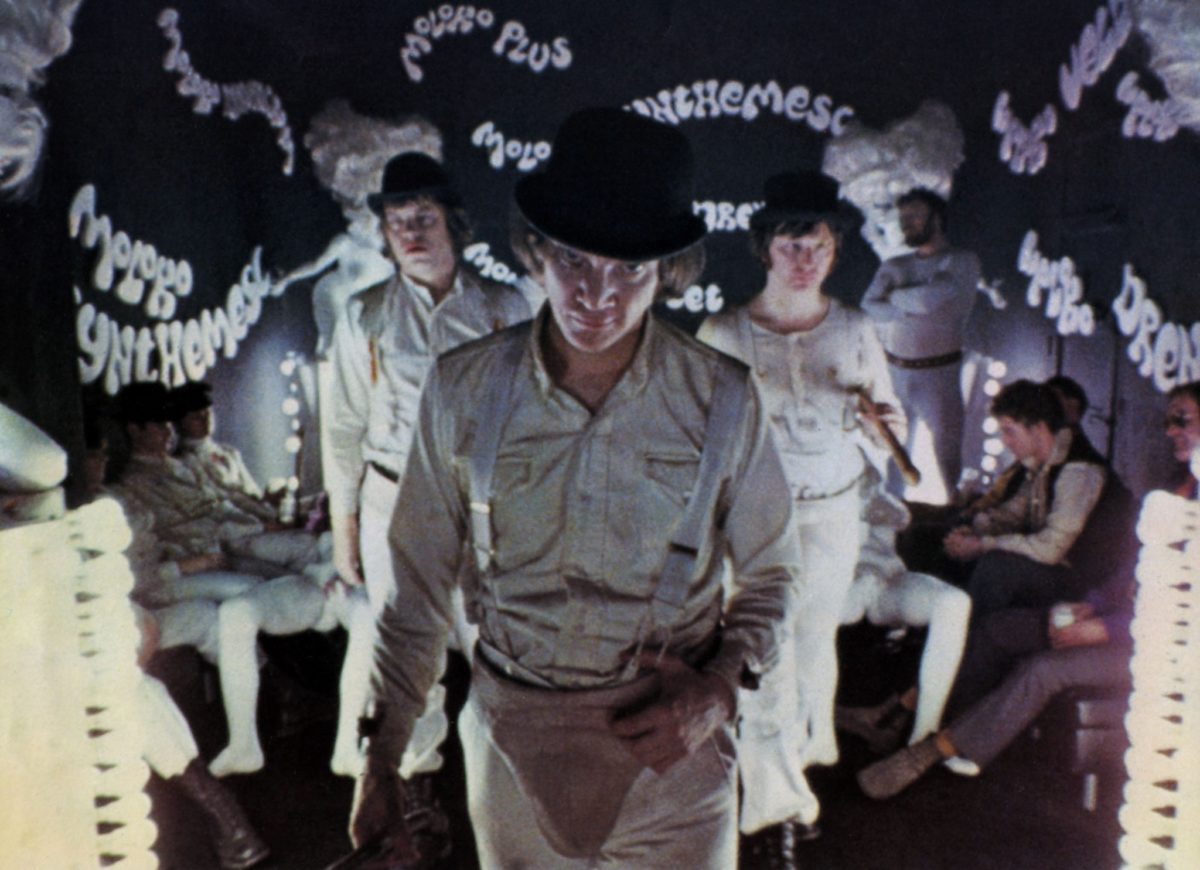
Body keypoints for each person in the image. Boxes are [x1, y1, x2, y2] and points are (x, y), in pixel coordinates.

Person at [348, 107, 800, 869]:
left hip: (674, 755)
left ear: (667, 272)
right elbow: (415, 590)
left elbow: (774, 573)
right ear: (537, 253)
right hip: (512, 741)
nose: (597, 294)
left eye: (629, 269)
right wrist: (381, 759)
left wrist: (718, 691)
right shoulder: (461, 388)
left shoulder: (722, 397)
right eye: (575, 261)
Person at [854, 386, 1199, 801]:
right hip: (1112, 613)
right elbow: (1133, 571)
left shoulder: (1082, 471)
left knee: (1040, 662)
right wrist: (1091, 607)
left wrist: (1108, 628)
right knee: (997, 628)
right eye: (1168, 421)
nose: (1170, 431)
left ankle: (929, 749)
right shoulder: (1179, 492)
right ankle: (929, 710)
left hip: (1163, 646)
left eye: (1181, 419)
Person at [696, 170, 903, 852]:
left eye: (819, 246)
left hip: (834, 516)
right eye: (792, 246)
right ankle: (774, 815)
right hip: (756, 521)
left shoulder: (855, 329)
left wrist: (877, 427)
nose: (805, 259)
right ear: (765, 249)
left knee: (813, 650)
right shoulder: (725, 332)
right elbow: (700, 437)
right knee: (766, 654)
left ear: (835, 250)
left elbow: (892, 425)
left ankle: (790, 779)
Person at [323, 149, 531, 814]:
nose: (410, 232)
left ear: (454, 224)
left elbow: (532, 418)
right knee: (404, 657)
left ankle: (505, 798)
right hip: (394, 502)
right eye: (397, 221)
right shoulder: (365, 315)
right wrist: (344, 536)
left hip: (482, 505)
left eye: (423, 218)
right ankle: (409, 800)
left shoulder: (502, 308)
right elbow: (343, 429)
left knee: (498, 649)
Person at [942, 379, 1116, 617]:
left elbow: (1051, 548)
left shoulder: (1079, 470)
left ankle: (965, 635)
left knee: (997, 567)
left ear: (1038, 428)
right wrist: (972, 532)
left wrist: (983, 545)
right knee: (944, 542)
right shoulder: (1040, 464)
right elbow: (1013, 513)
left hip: (1088, 586)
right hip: (1054, 569)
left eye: (1009, 431)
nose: (1005, 440)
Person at [109, 382, 321, 577]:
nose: (168, 432)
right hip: (208, 550)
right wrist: (259, 528)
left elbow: (222, 504)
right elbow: (183, 529)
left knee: (308, 550)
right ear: (134, 430)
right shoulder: (136, 481)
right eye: (159, 425)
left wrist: (261, 522)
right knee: (296, 561)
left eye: (168, 424)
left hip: (235, 536)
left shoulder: (185, 463)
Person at [834, 468, 971, 755]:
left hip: (882, 580)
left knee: (953, 602)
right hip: (824, 585)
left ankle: (920, 742)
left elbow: (896, 517)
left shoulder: (868, 469)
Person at [862, 188, 982, 504]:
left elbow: (928, 299)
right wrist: (910, 302)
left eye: (914, 216)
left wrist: (894, 297)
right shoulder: (896, 265)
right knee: (891, 449)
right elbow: (869, 306)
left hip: (939, 374)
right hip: (895, 371)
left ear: (936, 218)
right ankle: (891, 515)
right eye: (903, 217)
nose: (906, 223)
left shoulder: (961, 261)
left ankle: (955, 515)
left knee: (947, 455)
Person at [171, 381, 277, 523]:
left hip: (259, 517)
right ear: (179, 423)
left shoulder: (230, 453)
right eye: (196, 417)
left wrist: (267, 499)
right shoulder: (182, 462)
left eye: (207, 412)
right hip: (232, 524)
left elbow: (252, 491)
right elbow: (218, 502)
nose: (205, 419)